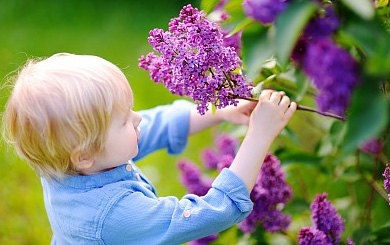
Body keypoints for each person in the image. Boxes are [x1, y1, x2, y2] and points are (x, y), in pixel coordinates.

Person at [2, 53, 296, 244]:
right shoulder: (115, 215)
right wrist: (259, 135)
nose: (138, 117)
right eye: (123, 120)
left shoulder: (68, 162)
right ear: (84, 155)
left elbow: (155, 125)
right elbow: (211, 212)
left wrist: (218, 112)